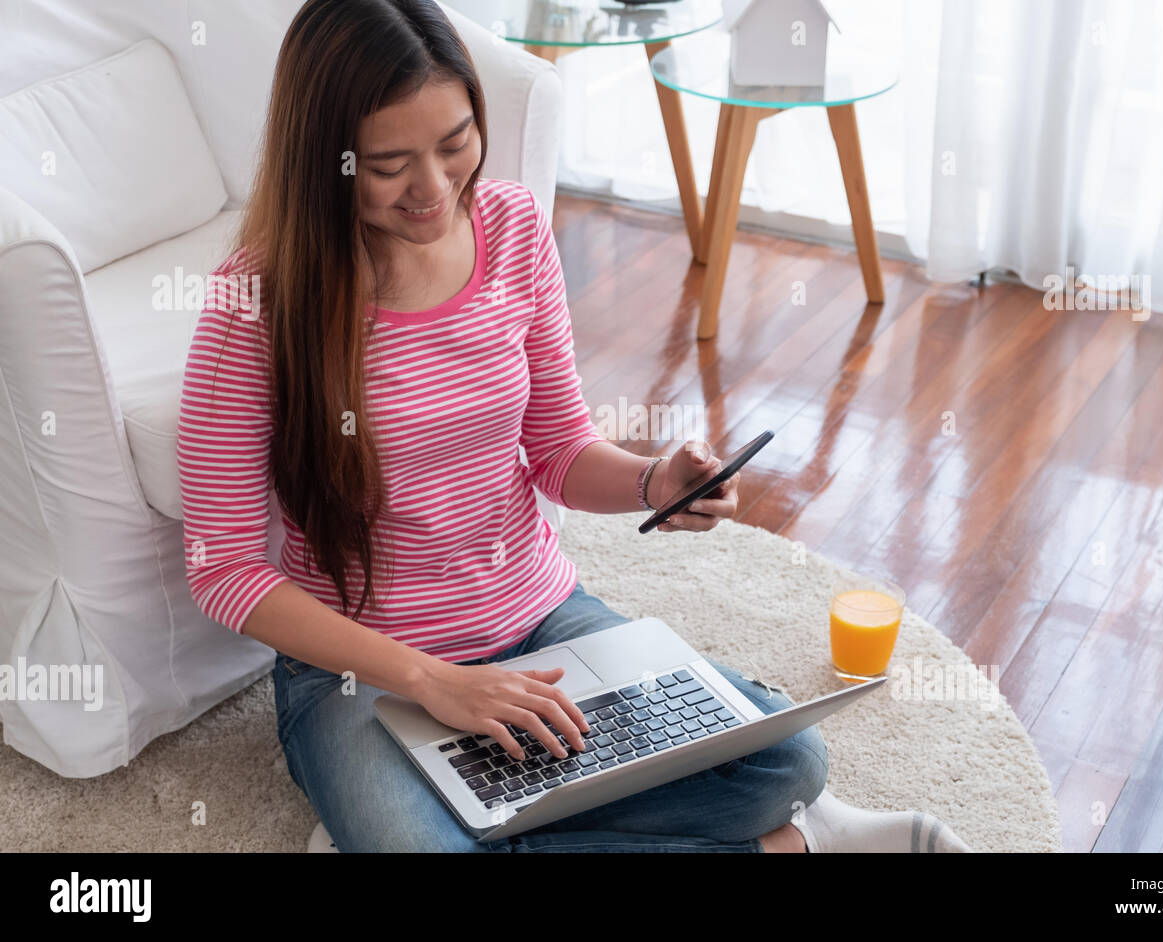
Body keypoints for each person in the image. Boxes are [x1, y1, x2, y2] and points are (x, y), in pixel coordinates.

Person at [176, 0, 971, 853]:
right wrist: (432, 682)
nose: (435, 190)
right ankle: (792, 846)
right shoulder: (253, 303)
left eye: (454, 144)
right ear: (324, 161)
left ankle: (480, 822)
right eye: (389, 165)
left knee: (786, 766)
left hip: (541, 620)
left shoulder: (513, 227)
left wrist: (651, 480)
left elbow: (556, 449)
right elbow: (220, 567)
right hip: (362, 674)